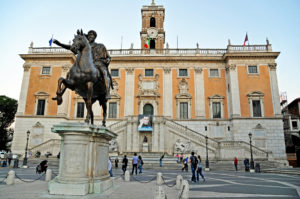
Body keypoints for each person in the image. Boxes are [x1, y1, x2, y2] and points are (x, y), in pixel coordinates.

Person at [53, 30, 113, 100]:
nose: (91, 36)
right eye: (89, 35)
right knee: (69, 74)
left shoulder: (100, 46)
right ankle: (60, 94)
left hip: (99, 63)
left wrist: (106, 60)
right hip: (86, 64)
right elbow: (71, 47)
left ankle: (107, 92)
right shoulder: (83, 46)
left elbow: (108, 57)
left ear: (95, 37)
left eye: (92, 35)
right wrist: (60, 44)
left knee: (104, 72)